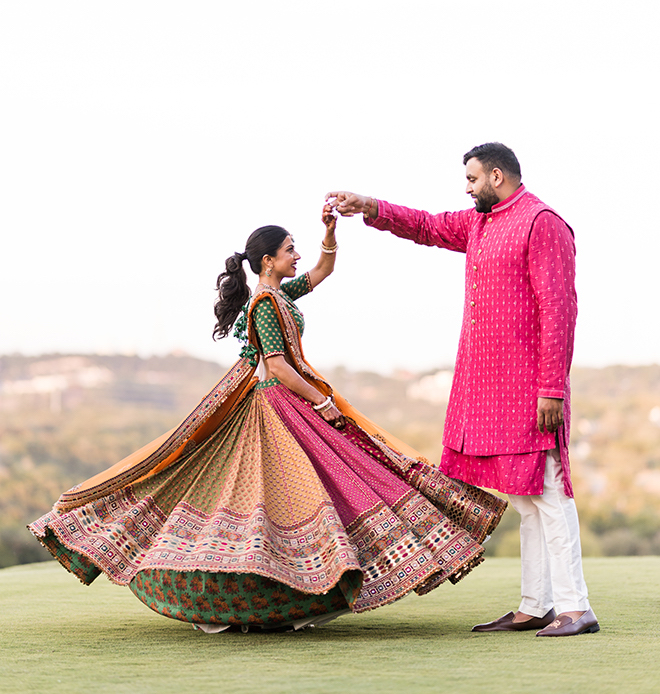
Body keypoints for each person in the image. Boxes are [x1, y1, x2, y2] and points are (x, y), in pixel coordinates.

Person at [29, 205, 506, 633]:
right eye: (289, 249)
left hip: (286, 400)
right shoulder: (264, 304)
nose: (297, 255)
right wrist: (321, 403)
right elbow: (276, 365)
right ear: (267, 262)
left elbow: (323, 271)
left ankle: (300, 588)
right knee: (282, 489)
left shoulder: (280, 294)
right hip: (275, 402)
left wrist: (328, 233)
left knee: (314, 485)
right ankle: (274, 587)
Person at [326, 142, 599, 637]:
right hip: (488, 386)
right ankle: (536, 605)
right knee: (526, 497)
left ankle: (577, 608)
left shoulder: (544, 223)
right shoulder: (478, 223)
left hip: (532, 388)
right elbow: (427, 226)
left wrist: (551, 390)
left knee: (551, 491)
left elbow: (561, 311)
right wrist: (369, 206)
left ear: (497, 176)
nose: (466, 188)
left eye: (472, 180)